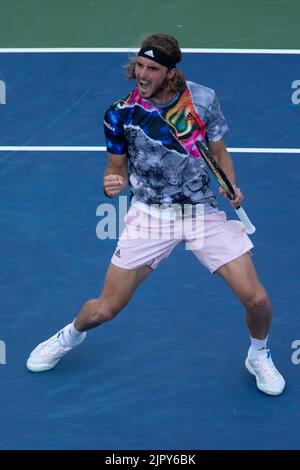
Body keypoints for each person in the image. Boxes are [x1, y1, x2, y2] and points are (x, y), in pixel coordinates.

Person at [26, 33, 285, 396]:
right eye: (139, 66)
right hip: (149, 216)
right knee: (106, 309)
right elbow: (115, 166)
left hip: (201, 212)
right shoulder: (120, 114)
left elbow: (220, 153)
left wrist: (228, 184)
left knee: (256, 298)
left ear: (170, 73)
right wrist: (111, 183)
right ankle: (69, 335)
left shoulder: (202, 100)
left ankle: (258, 354)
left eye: (151, 68)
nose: (142, 75)